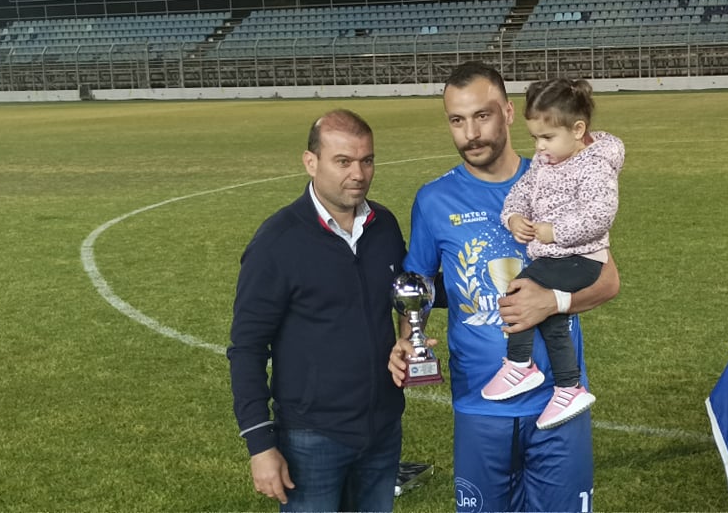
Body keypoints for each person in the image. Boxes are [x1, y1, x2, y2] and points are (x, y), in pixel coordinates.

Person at [388, 61, 620, 513]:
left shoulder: (560, 176)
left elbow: (608, 280)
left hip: (556, 399)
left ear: (509, 113)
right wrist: (406, 340)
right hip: (479, 403)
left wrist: (550, 301)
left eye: (482, 115)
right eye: (457, 120)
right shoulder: (434, 200)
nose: (471, 133)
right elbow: (418, 287)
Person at [227, 109, 406, 512]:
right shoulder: (277, 242)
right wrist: (260, 444)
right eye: (343, 161)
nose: (358, 174)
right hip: (311, 438)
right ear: (311, 162)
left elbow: (407, 289)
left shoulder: (384, 225)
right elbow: (247, 348)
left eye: (367, 160)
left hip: (383, 428)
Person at [481, 78, 624, 431]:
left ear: (578, 130)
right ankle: (569, 387)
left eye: (547, 137)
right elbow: (522, 191)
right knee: (553, 320)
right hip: (555, 257)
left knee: (521, 288)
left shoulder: (595, 166)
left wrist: (554, 232)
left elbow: (599, 216)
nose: (539, 147)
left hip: (583, 259)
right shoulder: (545, 162)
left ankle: (519, 364)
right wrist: (513, 217)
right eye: (535, 138)